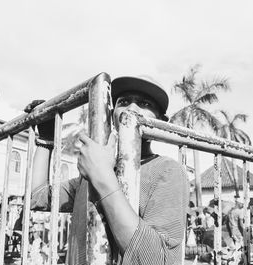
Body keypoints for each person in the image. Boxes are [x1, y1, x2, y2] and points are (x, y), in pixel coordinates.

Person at [26, 76, 189, 264]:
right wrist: (46, 141)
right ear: (113, 115)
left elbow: (157, 260)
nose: (131, 109)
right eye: (124, 101)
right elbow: (37, 197)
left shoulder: (167, 171)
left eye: (144, 103)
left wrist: (102, 177)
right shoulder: (89, 172)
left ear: (161, 121)